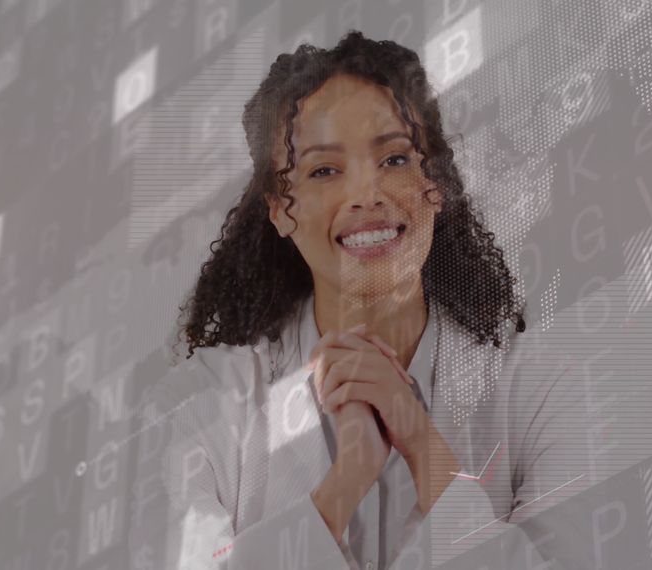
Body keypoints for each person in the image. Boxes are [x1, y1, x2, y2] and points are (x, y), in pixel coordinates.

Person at [155, 30, 591, 569]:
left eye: (395, 160)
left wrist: (419, 440)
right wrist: (345, 483)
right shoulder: (203, 407)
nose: (367, 195)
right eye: (324, 170)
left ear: (437, 184)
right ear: (279, 209)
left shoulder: (542, 386)